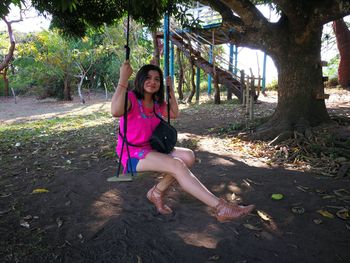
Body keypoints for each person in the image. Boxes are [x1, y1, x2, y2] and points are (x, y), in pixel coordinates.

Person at [111, 61, 255, 222]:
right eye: (148, 77)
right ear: (140, 79)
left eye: (157, 79)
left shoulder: (157, 103)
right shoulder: (130, 98)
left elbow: (174, 113)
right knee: (177, 164)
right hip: (132, 153)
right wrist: (123, 78)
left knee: (188, 156)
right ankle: (222, 208)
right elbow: (115, 111)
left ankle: (156, 192)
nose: (153, 82)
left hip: (152, 148)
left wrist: (170, 88)